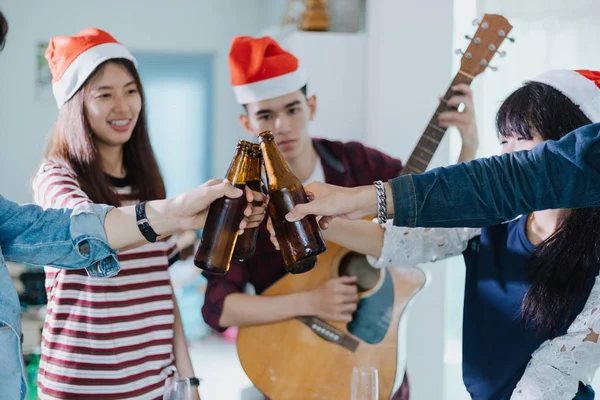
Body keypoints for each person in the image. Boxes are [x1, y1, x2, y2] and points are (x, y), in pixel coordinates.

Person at [286, 70, 600, 399]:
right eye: (504, 140)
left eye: (523, 140)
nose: (509, 156)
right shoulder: (491, 220)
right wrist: (318, 219)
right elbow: (401, 240)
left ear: (570, 149)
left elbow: (552, 376)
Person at [200, 35, 479, 399]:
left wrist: (469, 144)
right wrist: (309, 302)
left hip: (372, 358)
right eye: (266, 115)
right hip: (292, 366)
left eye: (292, 109)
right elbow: (219, 307)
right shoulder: (243, 198)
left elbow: (438, 213)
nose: (281, 125)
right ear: (246, 122)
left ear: (311, 106)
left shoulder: (360, 165)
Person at [27, 28, 263, 400]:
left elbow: (160, 287)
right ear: (76, 103)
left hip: (153, 384)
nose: (123, 107)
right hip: (80, 387)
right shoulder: (56, 177)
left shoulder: (147, 184)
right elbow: (84, 227)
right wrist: (178, 212)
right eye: (105, 94)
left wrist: (189, 380)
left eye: (131, 91)